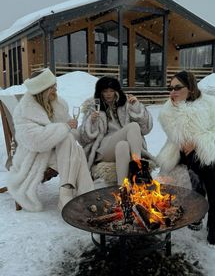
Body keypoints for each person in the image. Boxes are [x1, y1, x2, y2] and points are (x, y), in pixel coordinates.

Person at [156, 70, 215, 246]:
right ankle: (214, 221)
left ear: (190, 88)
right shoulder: (169, 109)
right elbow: (178, 138)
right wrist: (190, 138)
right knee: (201, 161)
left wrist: (199, 141)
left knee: (205, 161)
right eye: (170, 88)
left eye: (177, 88)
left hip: (204, 150)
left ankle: (204, 213)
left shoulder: (210, 104)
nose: (172, 92)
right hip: (179, 152)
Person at [6, 68, 94, 212]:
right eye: (52, 87)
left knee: (71, 144)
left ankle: (66, 193)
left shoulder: (58, 104)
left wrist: (76, 130)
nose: (56, 89)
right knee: (74, 150)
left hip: (60, 150)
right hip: (35, 154)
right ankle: (85, 195)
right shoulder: (23, 110)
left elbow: (69, 130)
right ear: (42, 90)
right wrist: (65, 128)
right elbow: (35, 141)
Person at [78, 76, 156, 185]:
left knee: (122, 145)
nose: (109, 94)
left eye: (111, 90)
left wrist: (137, 108)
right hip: (104, 149)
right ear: (100, 92)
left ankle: (122, 190)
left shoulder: (126, 104)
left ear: (116, 91)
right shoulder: (94, 107)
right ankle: (139, 168)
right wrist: (91, 121)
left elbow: (146, 129)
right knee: (132, 126)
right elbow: (84, 139)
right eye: (105, 91)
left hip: (125, 145)